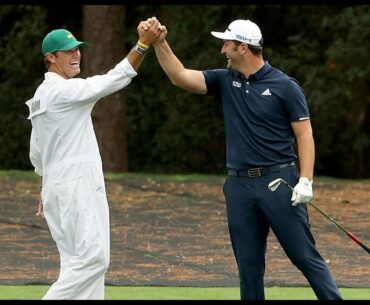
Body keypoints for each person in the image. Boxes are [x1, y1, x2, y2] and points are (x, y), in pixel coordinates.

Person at [151, 18, 342, 300]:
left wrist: (306, 180)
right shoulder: (225, 80)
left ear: (243, 48)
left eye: (227, 44)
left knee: (304, 256)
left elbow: (305, 135)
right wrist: (159, 42)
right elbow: (179, 76)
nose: (222, 50)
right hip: (239, 186)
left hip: (279, 182)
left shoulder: (285, 87)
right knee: (249, 267)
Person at [26, 18, 162, 300]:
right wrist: (142, 45)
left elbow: (36, 150)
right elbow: (113, 79)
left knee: (78, 265)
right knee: (93, 260)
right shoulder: (64, 91)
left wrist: (45, 184)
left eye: (77, 49)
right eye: (68, 51)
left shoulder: (41, 95)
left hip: (58, 187)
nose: (76, 54)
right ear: (50, 58)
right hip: (76, 186)